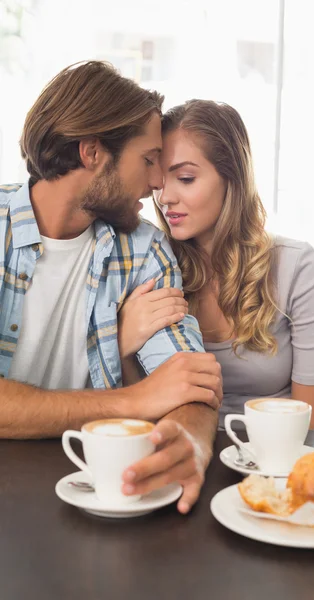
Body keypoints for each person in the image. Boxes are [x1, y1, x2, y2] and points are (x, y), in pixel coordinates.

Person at [0, 63, 222, 514]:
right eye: (148, 160)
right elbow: (150, 395)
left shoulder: (144, 249)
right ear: (91, 153)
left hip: (96, 489)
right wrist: (132, 401)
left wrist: (191, 439)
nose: (158, 182)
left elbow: (190, 378)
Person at [120, 99, 314, 430]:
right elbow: (133, 408)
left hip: (273, 463)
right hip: (179, 455)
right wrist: (122, 344)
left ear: (232, 177)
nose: (165, 198)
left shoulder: (296, 267)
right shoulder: (151, 268)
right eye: (161, 181)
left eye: (186, 178)